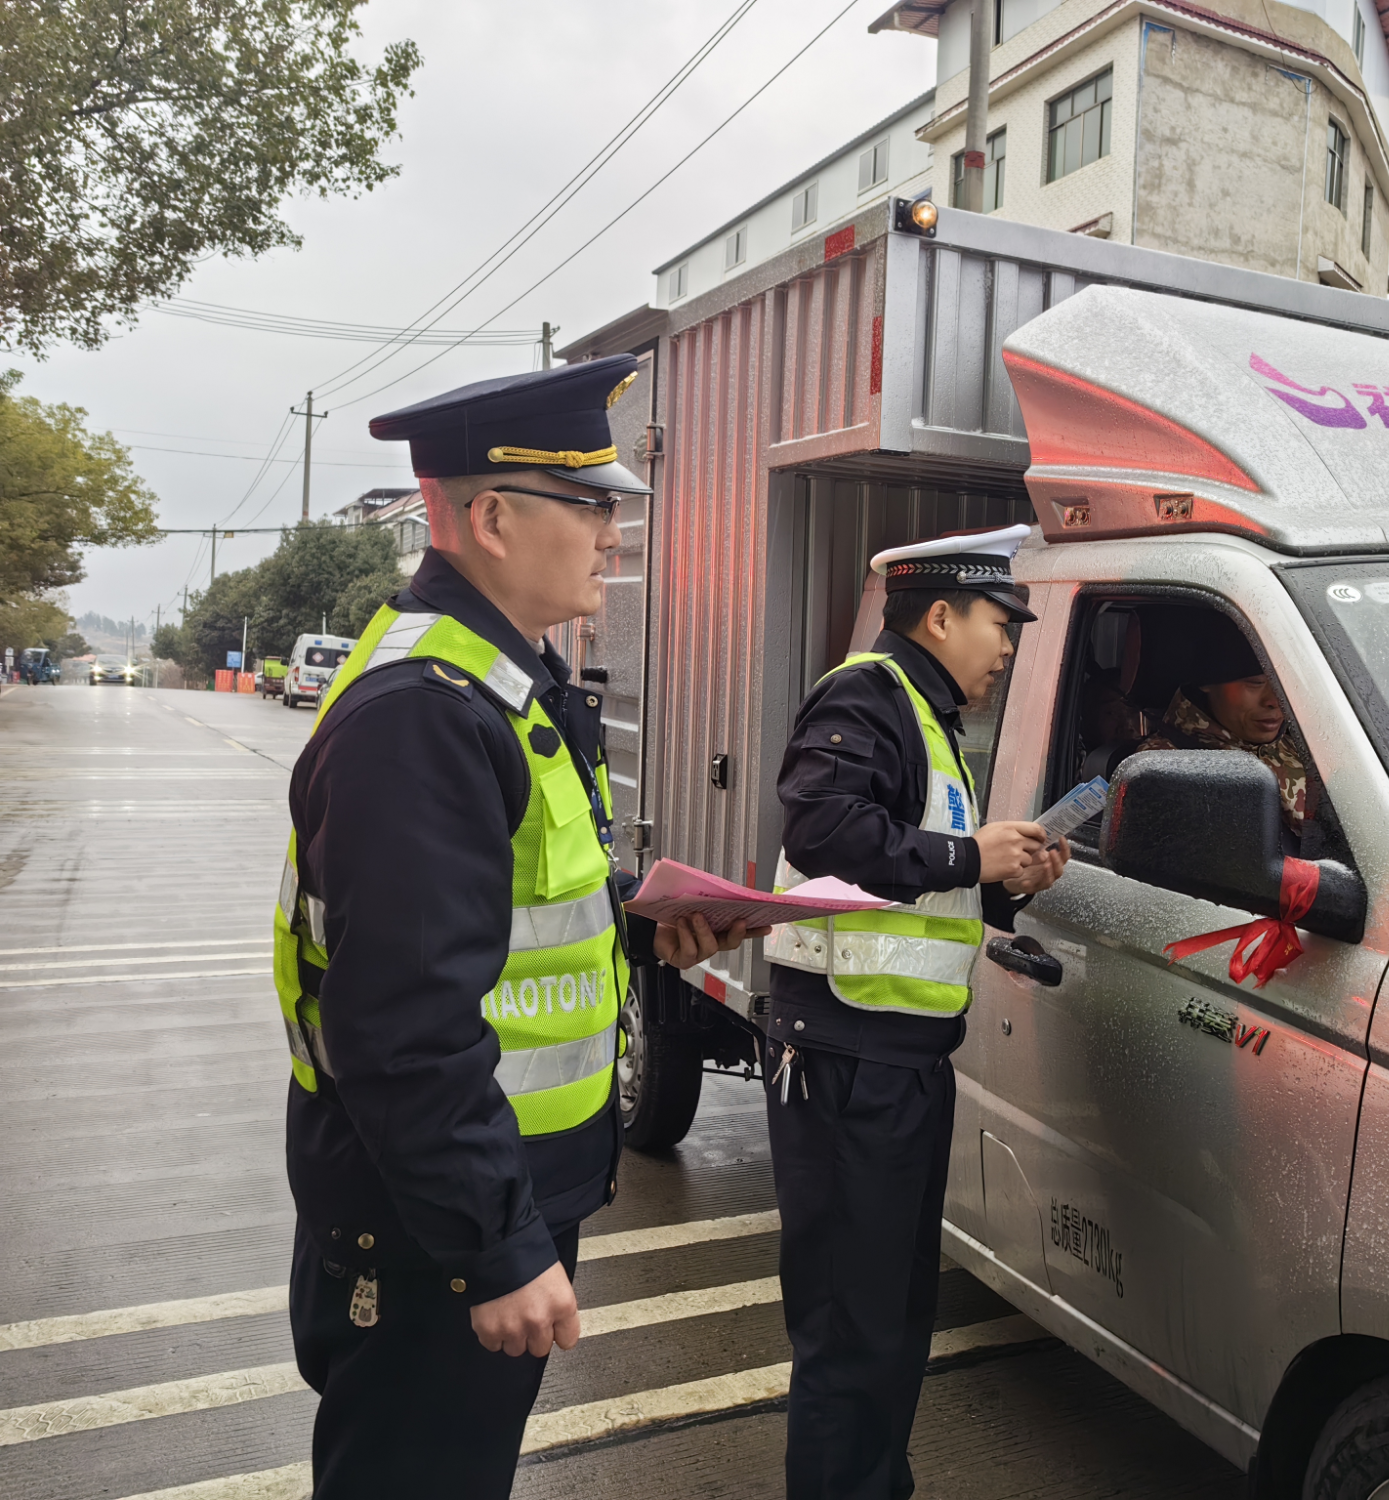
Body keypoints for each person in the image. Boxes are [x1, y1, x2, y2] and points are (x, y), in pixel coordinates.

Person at [275, 355, 757, 1499]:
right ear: (490, 515)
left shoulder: (503, 678)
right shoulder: (426, 711)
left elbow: (501, 912)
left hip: (475, 1201)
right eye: (589, 506)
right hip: (436, 1230)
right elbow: (403, 1022)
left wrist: (644, 929)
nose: (612, 536)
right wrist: (493, 1244)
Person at [761, 524, 1068, 1500]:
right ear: (938, 616)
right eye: (997, 621)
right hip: (845, 1055)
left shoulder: (934, 724)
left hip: (901, 1062)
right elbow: (822, 830)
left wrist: (1009, 879)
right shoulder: (867, 695)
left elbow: (929, 882)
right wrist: (968, 857)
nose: (1007, 644)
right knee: (851, 1334)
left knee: (891, 1323)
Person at [1134, 617, 1321, 841]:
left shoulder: (1301, 744)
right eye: (1255, 683)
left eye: (1284, 685)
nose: (1276, 701)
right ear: (1207, 683)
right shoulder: (1167, 768)